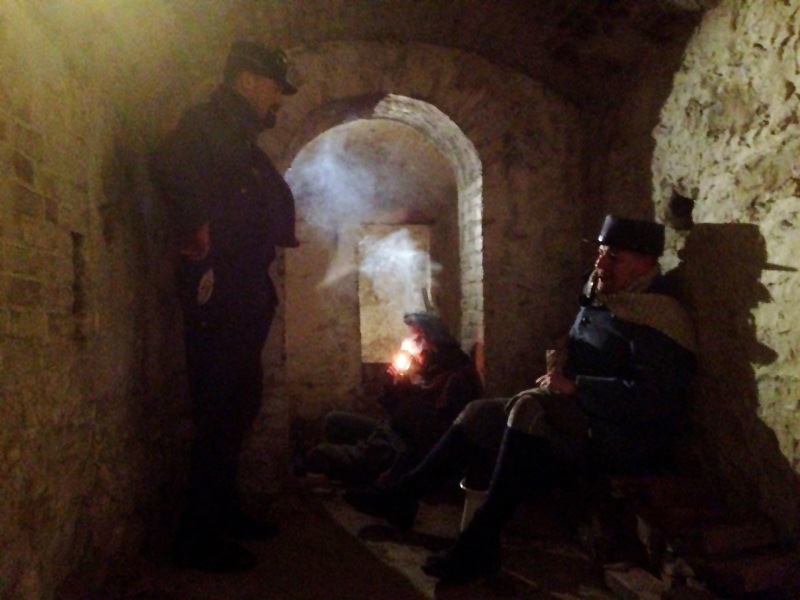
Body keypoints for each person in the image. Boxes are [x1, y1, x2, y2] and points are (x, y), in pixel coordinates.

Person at [344, 215, 697, 583]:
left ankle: (479, 542)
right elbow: (579, 345)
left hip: (621, 432)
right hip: (576, 411)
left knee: (527, 410)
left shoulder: (660, 319)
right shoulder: (604, 298)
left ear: (645, 263)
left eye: (614, 257)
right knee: (480, 413)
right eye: (600, 253)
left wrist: (578, 388)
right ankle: (405, 495)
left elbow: (656, 400)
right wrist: (561, 363)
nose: (600, 264)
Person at [150, 40, 300, 572]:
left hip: (243, 281)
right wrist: (196, 227)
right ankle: (197, 533)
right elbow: (169, 163)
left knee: (238, 404)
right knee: (219, 406)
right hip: (222, 283)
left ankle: (222, 511)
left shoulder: (236, 134)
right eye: (272, 87)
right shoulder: (210, 123)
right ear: (245, 81)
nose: (277, 100)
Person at [303, 312, 484, 485]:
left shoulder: (455, 378)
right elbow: (392, 413)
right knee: (334, 421)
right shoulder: (429, 370)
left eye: (418, 339)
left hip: (401, 449)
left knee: (320, 455)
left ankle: (363, 470)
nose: (411, 345)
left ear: (435, 342)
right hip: (390, 434)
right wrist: (392, 385)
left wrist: (405, 391)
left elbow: (427, 433)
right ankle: (354, 468)